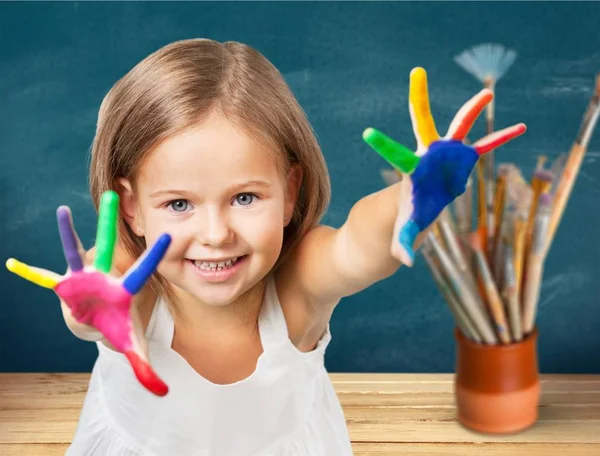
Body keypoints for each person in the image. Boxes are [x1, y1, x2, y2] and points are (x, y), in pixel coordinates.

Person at [7, 38, 525, 455]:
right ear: (133, 207)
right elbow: (94, 314)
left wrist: (410, 197)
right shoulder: (132, 285)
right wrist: (86, 315)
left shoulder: (296, 289)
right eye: (179, 205)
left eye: (245, 197)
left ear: (290, 192)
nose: (215, 234)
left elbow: (356, 247)